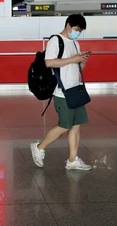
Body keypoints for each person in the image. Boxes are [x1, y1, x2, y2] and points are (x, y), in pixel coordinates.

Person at [30, 14, 92, 170]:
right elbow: (49, 62)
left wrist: (82, 61)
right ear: (68, 25)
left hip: (75, 89)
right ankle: (39, 147)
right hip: (62, 92)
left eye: (80, 31)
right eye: (77, 29)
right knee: (65, 126)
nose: (78, 33)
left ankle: (73, 159)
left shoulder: (75, 43)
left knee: (76, 125)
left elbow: (77, 68)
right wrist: (73, 59)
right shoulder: (55, 40)